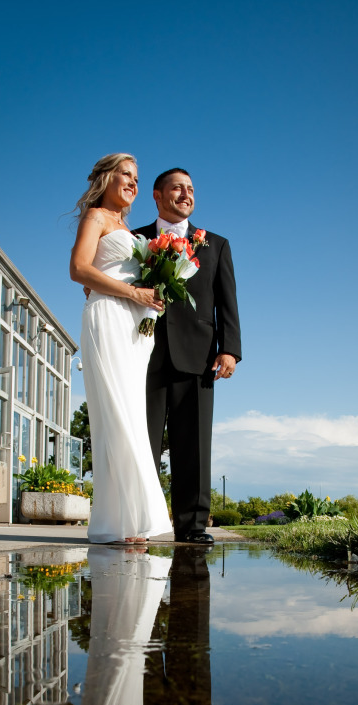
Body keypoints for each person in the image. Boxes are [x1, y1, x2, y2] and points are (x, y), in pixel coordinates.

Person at [134, 168, 242, 544]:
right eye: (177, 188)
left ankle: (192, 525)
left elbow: (227, 301)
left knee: (194, 443)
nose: (186, 194)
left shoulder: (216, 244)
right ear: (157, 195)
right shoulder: (135, 239)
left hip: (199, 355)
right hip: (143, 351)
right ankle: (138, 521)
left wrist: (230, 348)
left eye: (191, 189)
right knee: (141, 438)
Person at [70, 153, 171, 544]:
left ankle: (128, 519)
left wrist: (154, 294)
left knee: (130, 412)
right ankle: (122, 522)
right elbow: (78, 269)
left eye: (136, 177)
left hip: (136, 328)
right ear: (106, 178)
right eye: (125, 174)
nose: (132, 182)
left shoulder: (128, 229)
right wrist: (133, 292)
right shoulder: (95, 216)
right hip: (108, 318)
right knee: (115, 410)